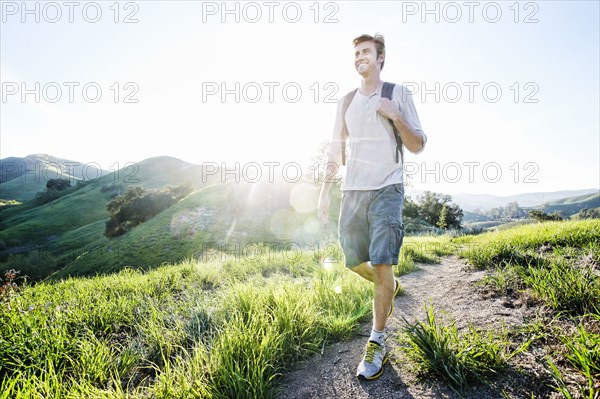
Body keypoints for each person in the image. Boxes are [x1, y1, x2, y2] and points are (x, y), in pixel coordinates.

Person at [317, 33, 427, 380]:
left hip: (387, 188)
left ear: (381, 58)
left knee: (381, 262)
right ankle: (388, 285)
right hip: (352, 191)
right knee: (352, 261)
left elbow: (418, 144)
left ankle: (377, 340)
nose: (360, 57)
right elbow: (335, 148)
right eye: (356, 53)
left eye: (366, 52)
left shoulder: (397, 94)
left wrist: (396, 116)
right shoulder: (346, 100)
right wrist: (323, 192)